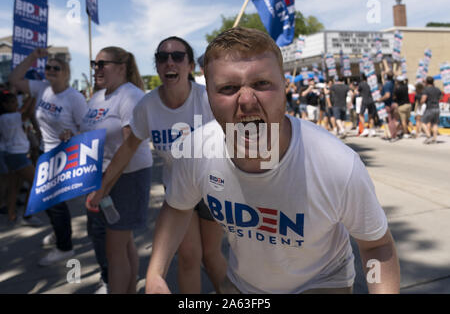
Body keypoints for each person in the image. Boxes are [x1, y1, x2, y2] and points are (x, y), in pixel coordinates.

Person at [145, 27, 400, 294]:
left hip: (321, 283)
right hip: (243, 284)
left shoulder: (336, 163)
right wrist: (155, 273)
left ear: (284, 88)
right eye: (228, 88)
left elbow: (376, 246)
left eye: (261, 84)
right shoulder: (195, 151)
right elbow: (176, 207)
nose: (246, 100)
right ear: (207, 94)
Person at [86, 37, 227, 294]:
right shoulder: (148, 105)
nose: (169, 62)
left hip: (212, 187)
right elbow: (128, 147)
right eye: (162, 57)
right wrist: (102, 188)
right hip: (178, 190)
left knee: (211, 255)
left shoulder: (207, 100)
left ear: (191, 65)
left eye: (177, 56)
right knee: (187, 257)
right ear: (157, 65)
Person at [82, 47, 153, 294]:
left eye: (103, 64)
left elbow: (128, 148)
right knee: (123, 245)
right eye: (95, 64)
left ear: (122, 67)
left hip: (127, 177)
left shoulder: (130, 96)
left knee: (114, 251)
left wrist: (103, 189)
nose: (97, 69)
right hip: (103, 175)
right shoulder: (98, 96)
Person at [9, 48, 87, 266]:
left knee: (54, 202)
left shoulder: (74, 98)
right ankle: (59, 234)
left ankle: (65, 247)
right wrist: (33, 58)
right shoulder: (42, 88)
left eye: (56, 68)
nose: (51, 71)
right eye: (48, 67)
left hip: (63, 154)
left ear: (66, 72)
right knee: (48, 200)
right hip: (45, 152)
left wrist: (72, 135)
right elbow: (14, 79)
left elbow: (88, 129)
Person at [0, 91, 42, 226]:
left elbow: (25, 113)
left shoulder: (5, 117)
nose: (16, 103)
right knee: (36, 182)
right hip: (17, 155)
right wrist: (34, 95)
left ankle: (12, 216)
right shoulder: (11, 117)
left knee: (14, 187)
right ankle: (28, 215)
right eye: (12, 102)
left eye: (15, 101)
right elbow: (27, 113)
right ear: (4, 105)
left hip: (12, 154)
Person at [379, 71, 400, 142]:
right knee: (394, 120)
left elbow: (387, 95)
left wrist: (380, 99)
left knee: (390, 121)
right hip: (394, 103)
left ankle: (393, 136)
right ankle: (395, 134)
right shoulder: (393, 83)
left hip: (388, 104)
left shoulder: (387, 85)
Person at [420, 76, 442, 144]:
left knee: (423, 122)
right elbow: (441, 97)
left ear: (426, 82)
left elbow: (423, 99)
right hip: (437, 108)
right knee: (435, 124)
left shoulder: (426, 90)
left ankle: (428, 135)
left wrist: (421, 102)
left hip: (430, 108)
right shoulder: (437, 89)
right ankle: (434, 139)